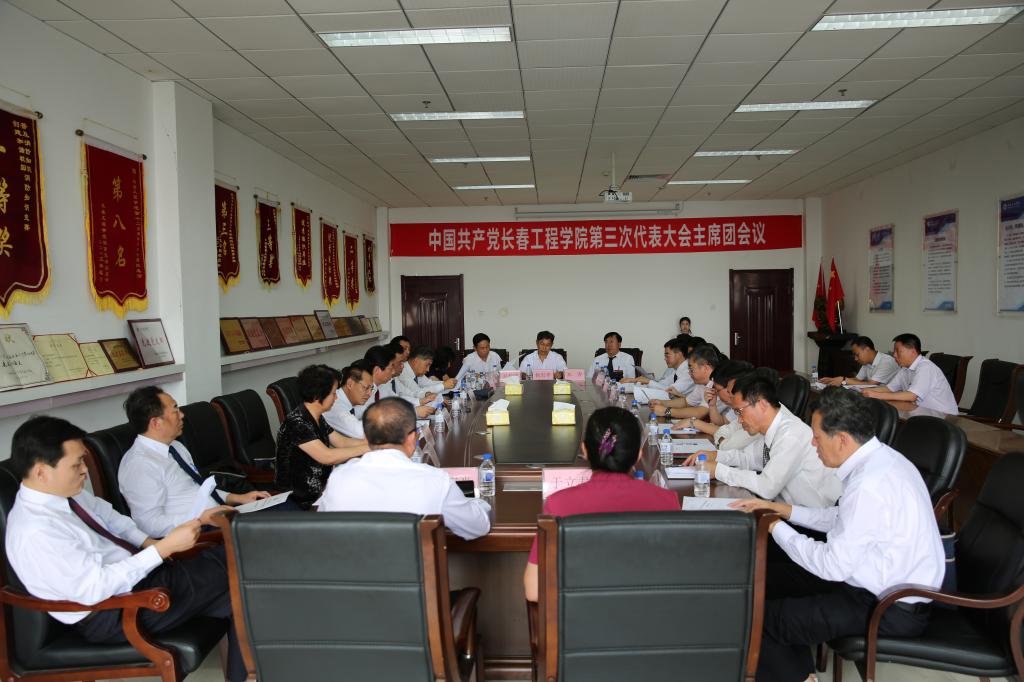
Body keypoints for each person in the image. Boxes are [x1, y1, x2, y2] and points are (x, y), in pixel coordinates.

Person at [6, 416, 248, 682]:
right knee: (239, 565)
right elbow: (95, 588)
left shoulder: (65, 495)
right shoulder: (36, 530)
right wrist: (162, 549)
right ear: (42, 472)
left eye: (83, 460)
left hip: (137, 583)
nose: (85, 470)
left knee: (240, 589)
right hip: (114, 611)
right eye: (76, 464)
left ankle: (246, 677)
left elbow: (111, 517)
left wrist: (149, 543)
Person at [731, 387, 943, 682]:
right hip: (867, 582)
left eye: (817, 437)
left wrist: (775, 526)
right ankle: (802, 673)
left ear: (842, 439)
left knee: (758, 620)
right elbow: (841, 517)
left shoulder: (869, 484)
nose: (813, 443)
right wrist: (783, 511)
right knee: (767, 579)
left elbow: (832, 566)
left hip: (887, 606)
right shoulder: (882, 460)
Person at [523, 406, 679, 602]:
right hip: (652, 617)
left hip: (581, 619)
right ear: (639, 455)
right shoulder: (667, 500)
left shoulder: (559, 504)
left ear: (585, 451)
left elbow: (534, 591)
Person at [317, 398, 491, 540]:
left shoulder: (339, 478)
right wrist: (479, 503)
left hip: (351, 572)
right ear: (412, 438)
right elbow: (478, 527)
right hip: (417, 574)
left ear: (367, 438)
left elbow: (323, 529)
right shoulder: (435, 481)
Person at [118, 386, 270, 538]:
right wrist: (201, 518)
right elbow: (149, 526)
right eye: (175, 410)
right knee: (273, 533)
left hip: (220, 520)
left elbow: (197, 491)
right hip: (197, 536)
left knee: (278, 514)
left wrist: (239, 498)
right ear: (156, 423)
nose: (182, 415)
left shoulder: (175, 447)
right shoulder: (139, 466)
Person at [685, 373, 842, 508]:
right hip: (784, 510)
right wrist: (715, 456)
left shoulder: (790, 434)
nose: (739, 420)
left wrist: (719, 471)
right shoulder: (773, 429)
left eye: (740, 411)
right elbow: (748, 458)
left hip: (809, 521)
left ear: (761, 405)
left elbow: (767, 487)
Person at [274, 364, 369, 509]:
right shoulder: (297, 423)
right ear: (317, 396)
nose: (336, 398)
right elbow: (327, 456)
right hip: (300, 499)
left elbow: (342, 442)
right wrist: (369, 448)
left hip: (322, 490)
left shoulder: (316, 417)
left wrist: (375, 443)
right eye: (333, 393)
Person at [862, 333, 959, 414]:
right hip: (924, 413)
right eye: (894, 351)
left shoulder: (925, 367)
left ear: (913, 351)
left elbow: (911, 396)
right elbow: (889, 388)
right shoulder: (905, 369)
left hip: (945, 418)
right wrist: (863, 391)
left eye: (898, 351)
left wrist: (877, 395)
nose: (894, 355)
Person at [688, 360, 758, 451]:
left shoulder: (749, 408)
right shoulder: (740, 407)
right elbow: (722, 427)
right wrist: (712, 406)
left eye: (718, 390)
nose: (716, 393)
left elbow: (729, 445)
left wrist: (694, 422)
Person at [648, 343, 722, 420]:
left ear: (705, 368)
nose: (689, 373)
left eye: (691, 369)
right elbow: (686, 402)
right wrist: (661, 402)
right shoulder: (702, 384)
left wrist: (666, 411)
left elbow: (699, 413)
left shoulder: (716, 383)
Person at [620, 337, 693, 397]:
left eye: (667, 355)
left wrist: (647, 381)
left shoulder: (689, 371)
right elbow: (662, 384)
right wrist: (639, 380)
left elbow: (672, 391)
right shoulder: (676, 370)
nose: (665, 359)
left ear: (679, 354)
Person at [820, 336, 899, 387]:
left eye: (857, 354)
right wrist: (834, 380)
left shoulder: (886, 362)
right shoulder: (866, 363)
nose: (855, 359)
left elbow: (871, 384)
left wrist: (844, 380)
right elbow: (857, 380)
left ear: (867, 349)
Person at [322, 362, 374, 438]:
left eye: (371, 389)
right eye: (366, 388)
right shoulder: (334, 405)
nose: (370, 393)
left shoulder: (350, 401)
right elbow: (361, 433)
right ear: (350, 384)